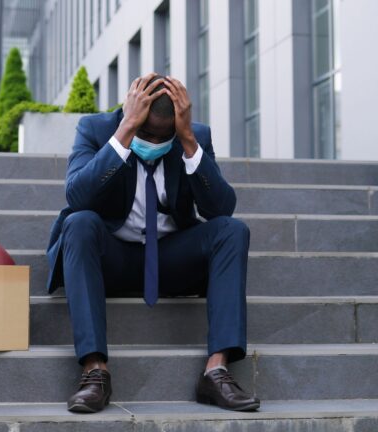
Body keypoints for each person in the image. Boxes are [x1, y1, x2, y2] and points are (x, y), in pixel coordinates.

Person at [44, 72, 260, 413]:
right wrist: (125, 134)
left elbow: (221, 208)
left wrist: (187, 140)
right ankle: (95, 372)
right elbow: (77, 194)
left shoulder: (194, 135)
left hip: (170, 259)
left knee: (232, 230)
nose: (154, 141)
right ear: (131, 112)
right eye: (146, 131)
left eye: (164, 136)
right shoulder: (96, 130)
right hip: (111, 257)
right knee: (79, 222)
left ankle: (216, 371)